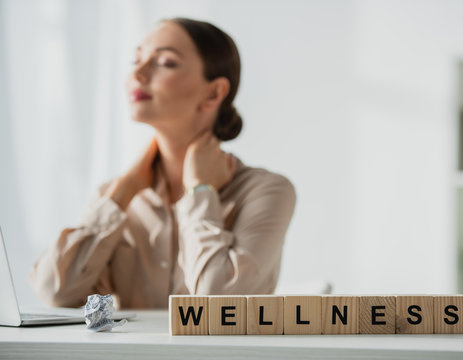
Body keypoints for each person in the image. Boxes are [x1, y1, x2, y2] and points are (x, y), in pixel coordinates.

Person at [29, 18, 296, 309]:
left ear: (214, 93)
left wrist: (201, 192)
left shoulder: (266, 191)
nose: (138, 73)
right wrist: (122, 192)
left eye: (166, 62)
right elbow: (54, 291)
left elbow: (219, 306)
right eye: (136, 59)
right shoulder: (118, 196)